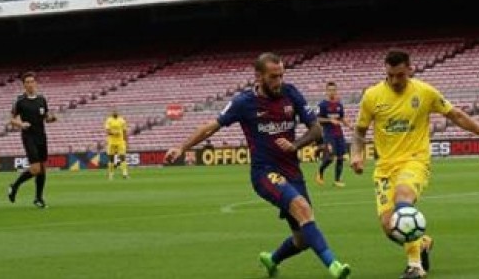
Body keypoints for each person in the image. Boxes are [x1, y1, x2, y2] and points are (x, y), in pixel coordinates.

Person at [164, 53, 351, 279]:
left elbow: (316, 128)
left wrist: (296, 145)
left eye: (281, 75)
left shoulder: (291, 93)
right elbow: (210, 127)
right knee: (302, 208)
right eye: (273, 77)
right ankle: (334, 266)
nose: (278, 81)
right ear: (259, 77)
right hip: (265, 172)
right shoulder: (244, 102)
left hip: (292, 172)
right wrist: (182, 147)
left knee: (302, 239)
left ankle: (272, 259)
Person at [351, 50, 479, 279]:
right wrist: (356, 154)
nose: (395, 81)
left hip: (415, 160)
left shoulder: (425, 92)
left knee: (402, 198)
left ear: (410, 69)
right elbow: (359, 131)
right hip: (385, 168)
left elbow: (456, 115)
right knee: (390, 228)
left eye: (400, 75)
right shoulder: (372, 96)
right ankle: (423, 243)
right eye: (391, 75)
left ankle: (415, 266)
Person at [7, 72, 56, 209]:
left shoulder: (42, 99)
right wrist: (21, 124)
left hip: (41, 136)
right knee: (35, 168)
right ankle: (14, 186)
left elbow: (46, 117)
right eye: (27, 82)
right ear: (24, 85)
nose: (30, 84)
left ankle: (38, 198)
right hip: (29, 137)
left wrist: (51, 119)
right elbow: (11, 119)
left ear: (35, 83)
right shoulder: (20, 101)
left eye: (32, 81)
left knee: (42, 168)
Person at [316, 82, 350, 187]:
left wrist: (348, 124)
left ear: (336, 91)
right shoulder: (322, 105)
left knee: (340, 157)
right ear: (326, 91)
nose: (332, 92)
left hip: (339, 134)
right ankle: (320, 172)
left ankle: (337, 180)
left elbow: (341, 118)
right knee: (330, 157)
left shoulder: (339, 105)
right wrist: (330, 120)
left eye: (334, 90)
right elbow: (318, 119)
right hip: (328, 134)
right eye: (330, 90)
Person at [104, 110, 129, 180]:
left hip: (120, 142)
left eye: (116, 112)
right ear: (112, 113)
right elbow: (107, 131)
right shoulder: (109, 120)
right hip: (111, 142)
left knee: (122, 157)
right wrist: (114, 133)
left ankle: (125, 174)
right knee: (111, 159)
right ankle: (111, 174)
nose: (115, 113)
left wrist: (126, 142)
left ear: (118, 113)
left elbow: (125, 132)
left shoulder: (122, 120)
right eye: (113, 112)